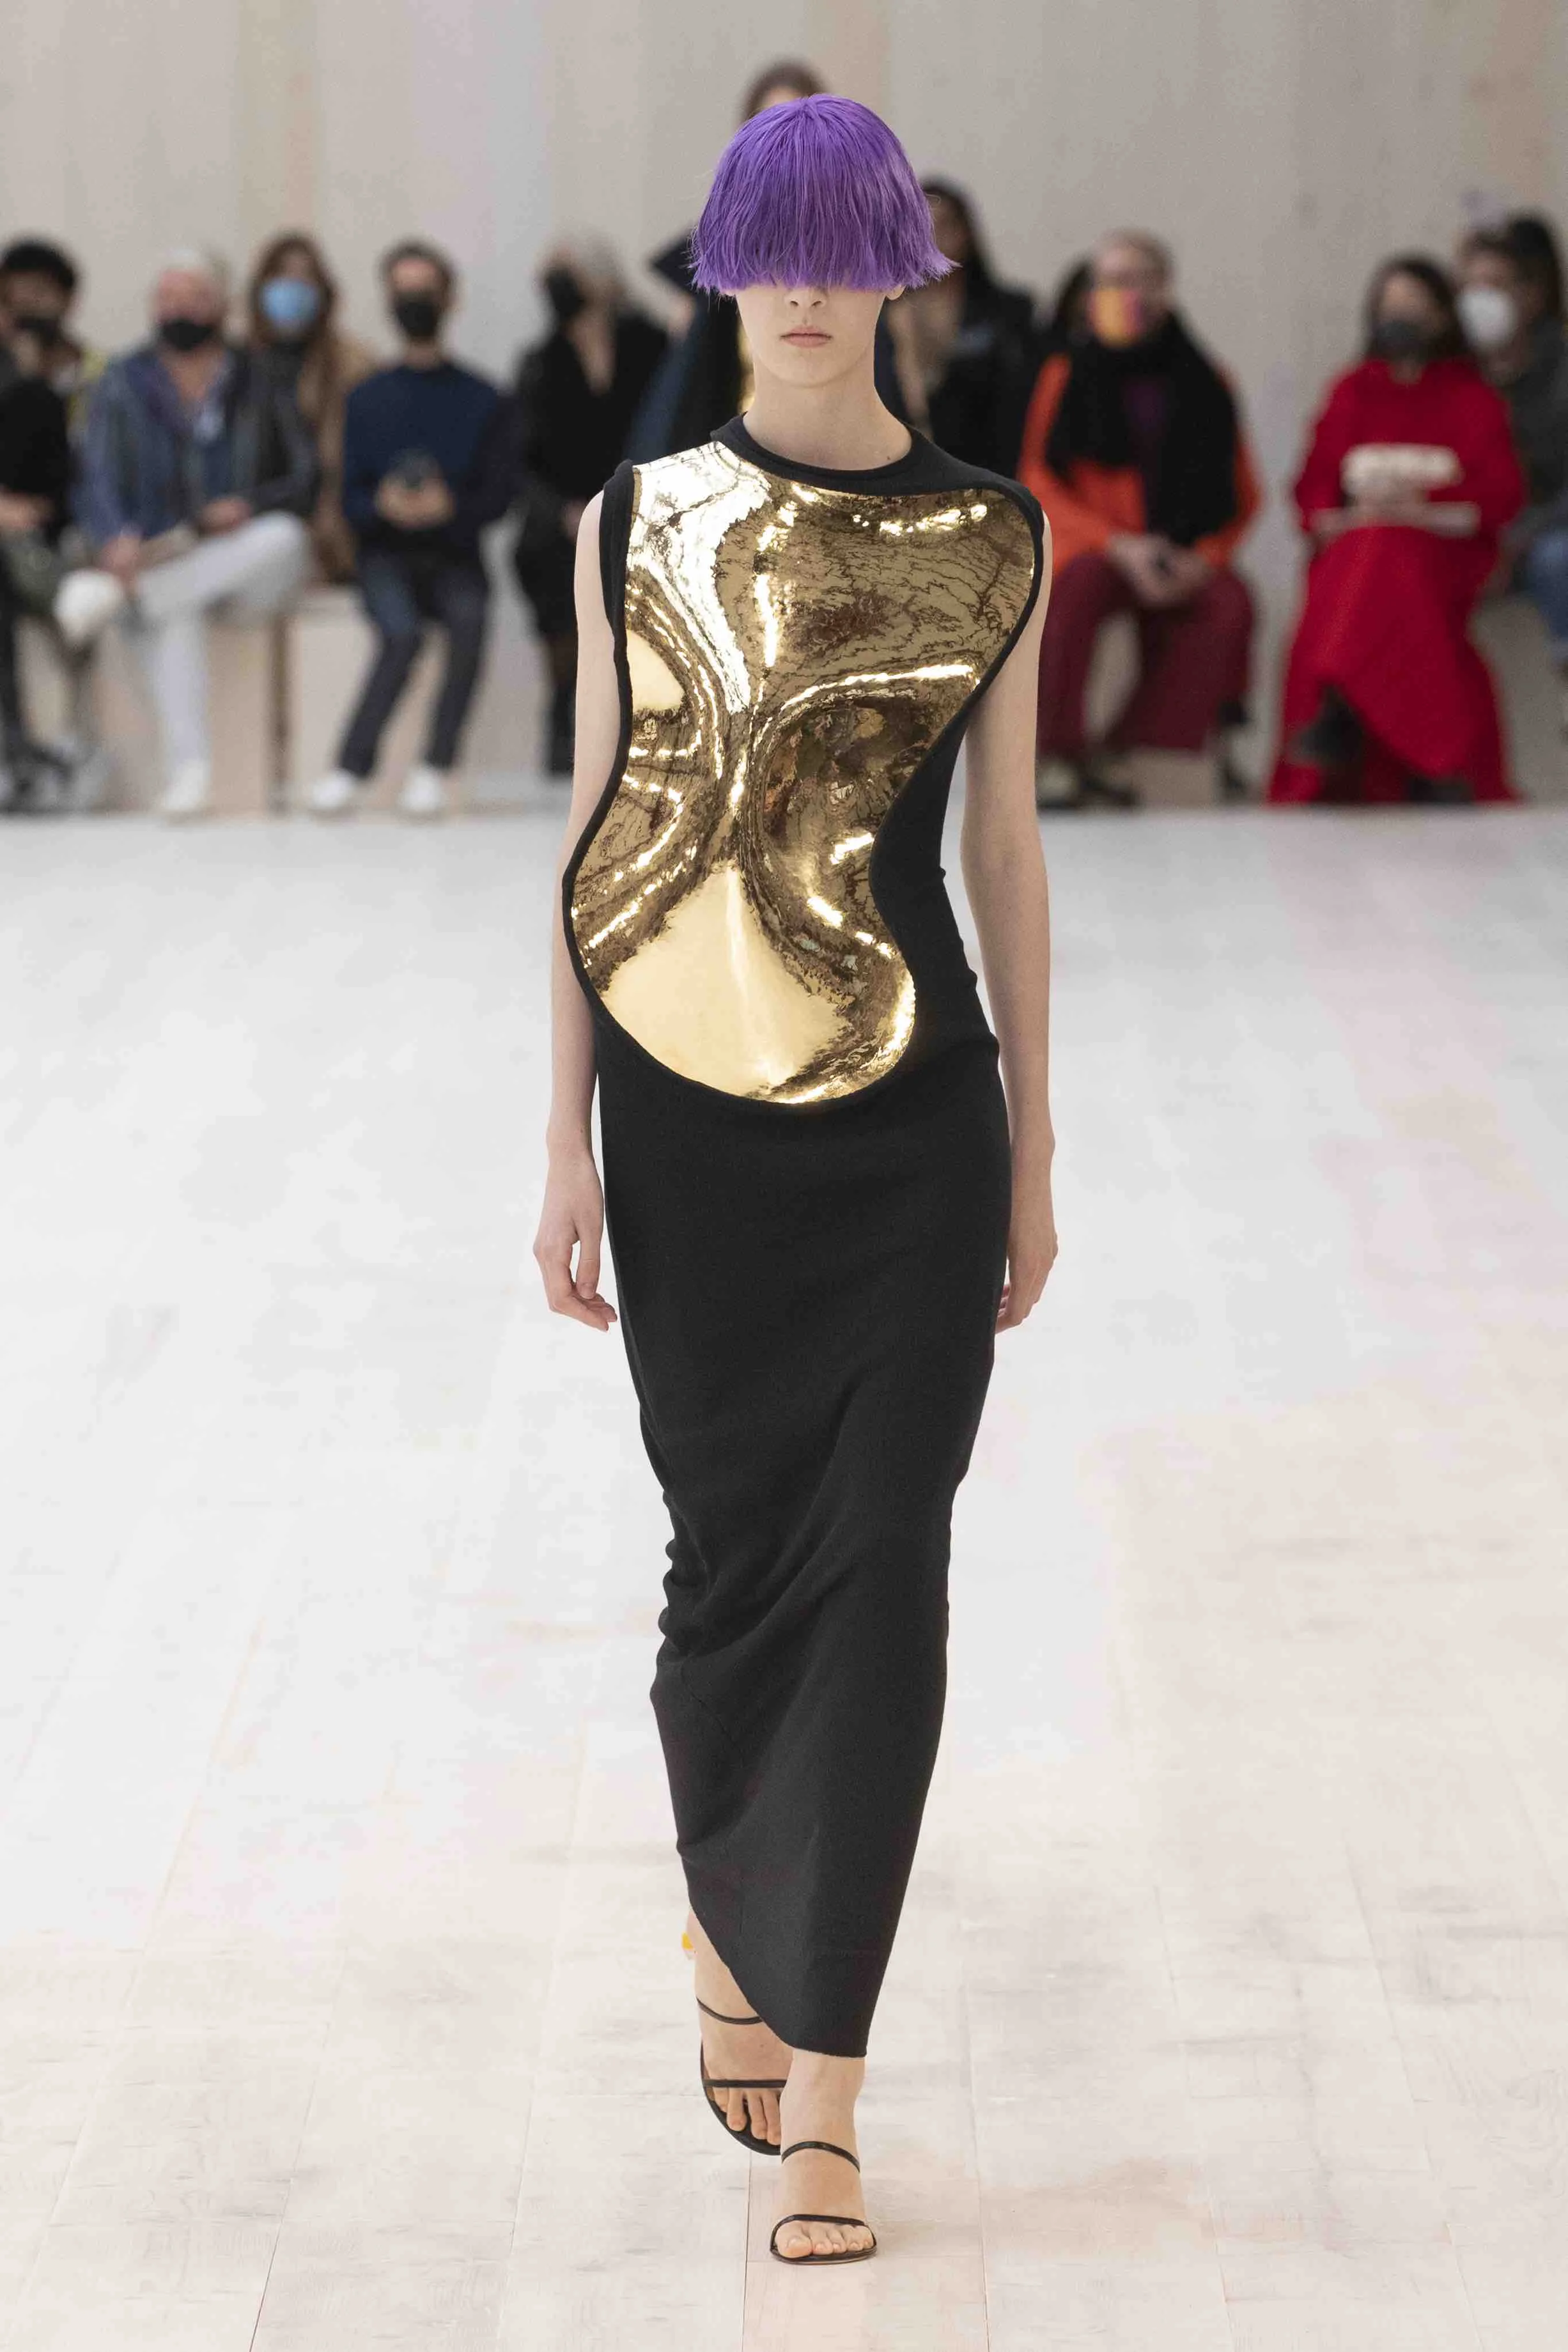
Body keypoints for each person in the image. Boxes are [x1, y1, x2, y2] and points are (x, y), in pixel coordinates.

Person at [534, 95, 1056, 2269]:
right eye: (774, 246)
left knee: (886, 1565)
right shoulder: (633, 519)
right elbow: (594, 829)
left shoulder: (995, 533)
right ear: (725, 271)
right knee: (729, 1555)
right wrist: (555, 1133)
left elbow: (1004, 847)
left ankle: (827, 2085)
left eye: (849, 248)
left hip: (917, 1119)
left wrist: (1037, 1149)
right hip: (681, 1112)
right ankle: (727, 1910)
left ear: (901, 272)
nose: (810, 286)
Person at [1268, 255, 1524, 805]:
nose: (1400, 319)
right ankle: (1425, 756)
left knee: (1382, 555)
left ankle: (1343, 708)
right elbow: (1314, 485)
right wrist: (1343, 512)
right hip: (1358, 540)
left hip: (1444, 550)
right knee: (1370, 552)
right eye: (1390, 308)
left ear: (1442, 316)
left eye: (1414, 307)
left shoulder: (1472, 396)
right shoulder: (1352, 391)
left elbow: (1501, 493)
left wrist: (1421, 502)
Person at [1018, 230, 1260, 808]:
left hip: (1180, 549)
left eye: (1137, 279)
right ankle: (1057, 755)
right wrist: (1117, 546)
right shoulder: (1063, 375)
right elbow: (1040, 481)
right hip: (1098, 551)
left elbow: (1242, 492)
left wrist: (1204, 558)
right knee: (1071, 594)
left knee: (1228, 603)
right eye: (1109, 281)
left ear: (1164, 289)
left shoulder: (1209, 380)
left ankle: (1123, 750)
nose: (1124, 293)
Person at [76, 249, 316, 818]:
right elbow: (94, 473)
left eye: (194, 298)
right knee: (176, 611)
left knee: (284, 536)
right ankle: (190, 774)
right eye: (168, 299)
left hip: (244, 562)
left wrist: (249, 505)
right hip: (165, 557)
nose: (179, 310)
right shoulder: (122, 380)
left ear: (222, 306)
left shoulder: (260, 377)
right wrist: (114, 537)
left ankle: (134, 595)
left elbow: (305, 476)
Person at [309, 240, 518, 821]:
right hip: (384, 557)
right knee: (399, 635)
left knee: (470, 621)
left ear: (449, 299)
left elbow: (500, 496)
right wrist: (385, 506)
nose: (413, 302)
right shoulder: (365, 399)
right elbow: (348, 497)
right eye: (403, 292)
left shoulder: (485, 399)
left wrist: (448, 507)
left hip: (456, 556)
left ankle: (435, 766)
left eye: (424, 291)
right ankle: (349, 769)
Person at [512, 240, 666, 774]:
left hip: (641, 502)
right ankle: (563, 718)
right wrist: (565, 510)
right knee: (546, 565)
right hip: (565, 516)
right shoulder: (541, 361)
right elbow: (524, 457)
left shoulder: (650, 345)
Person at [1458, 219, 1568, 726]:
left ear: (1532, 295)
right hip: (1468, 538)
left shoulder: (1559, 372)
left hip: (1539, 537)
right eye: (1470, 286)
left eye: (1496, 285)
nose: (1479, 300)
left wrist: (1514, 542)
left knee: (1559, 560)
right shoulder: (1453, 374)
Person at [245, 231, 379, 583]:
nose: (292, 286)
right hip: (246, 528)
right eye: (282, 275)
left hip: (329, 533)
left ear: (324, 290)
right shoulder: (238, 364)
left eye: (305, 276)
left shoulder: (353, 365)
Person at [884, 181, 1037, 474]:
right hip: (906, 471)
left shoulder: (1008, 311)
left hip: (993, 469)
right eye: (922, 227)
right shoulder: (883, 314)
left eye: (945, 225)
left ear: (967, 232)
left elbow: (1023, 404)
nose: (934, 237)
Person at [0, 238, 104, 424]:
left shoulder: (106, 376)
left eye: (38, 293)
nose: (26, 308)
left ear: (69, 300)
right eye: (11, 299)